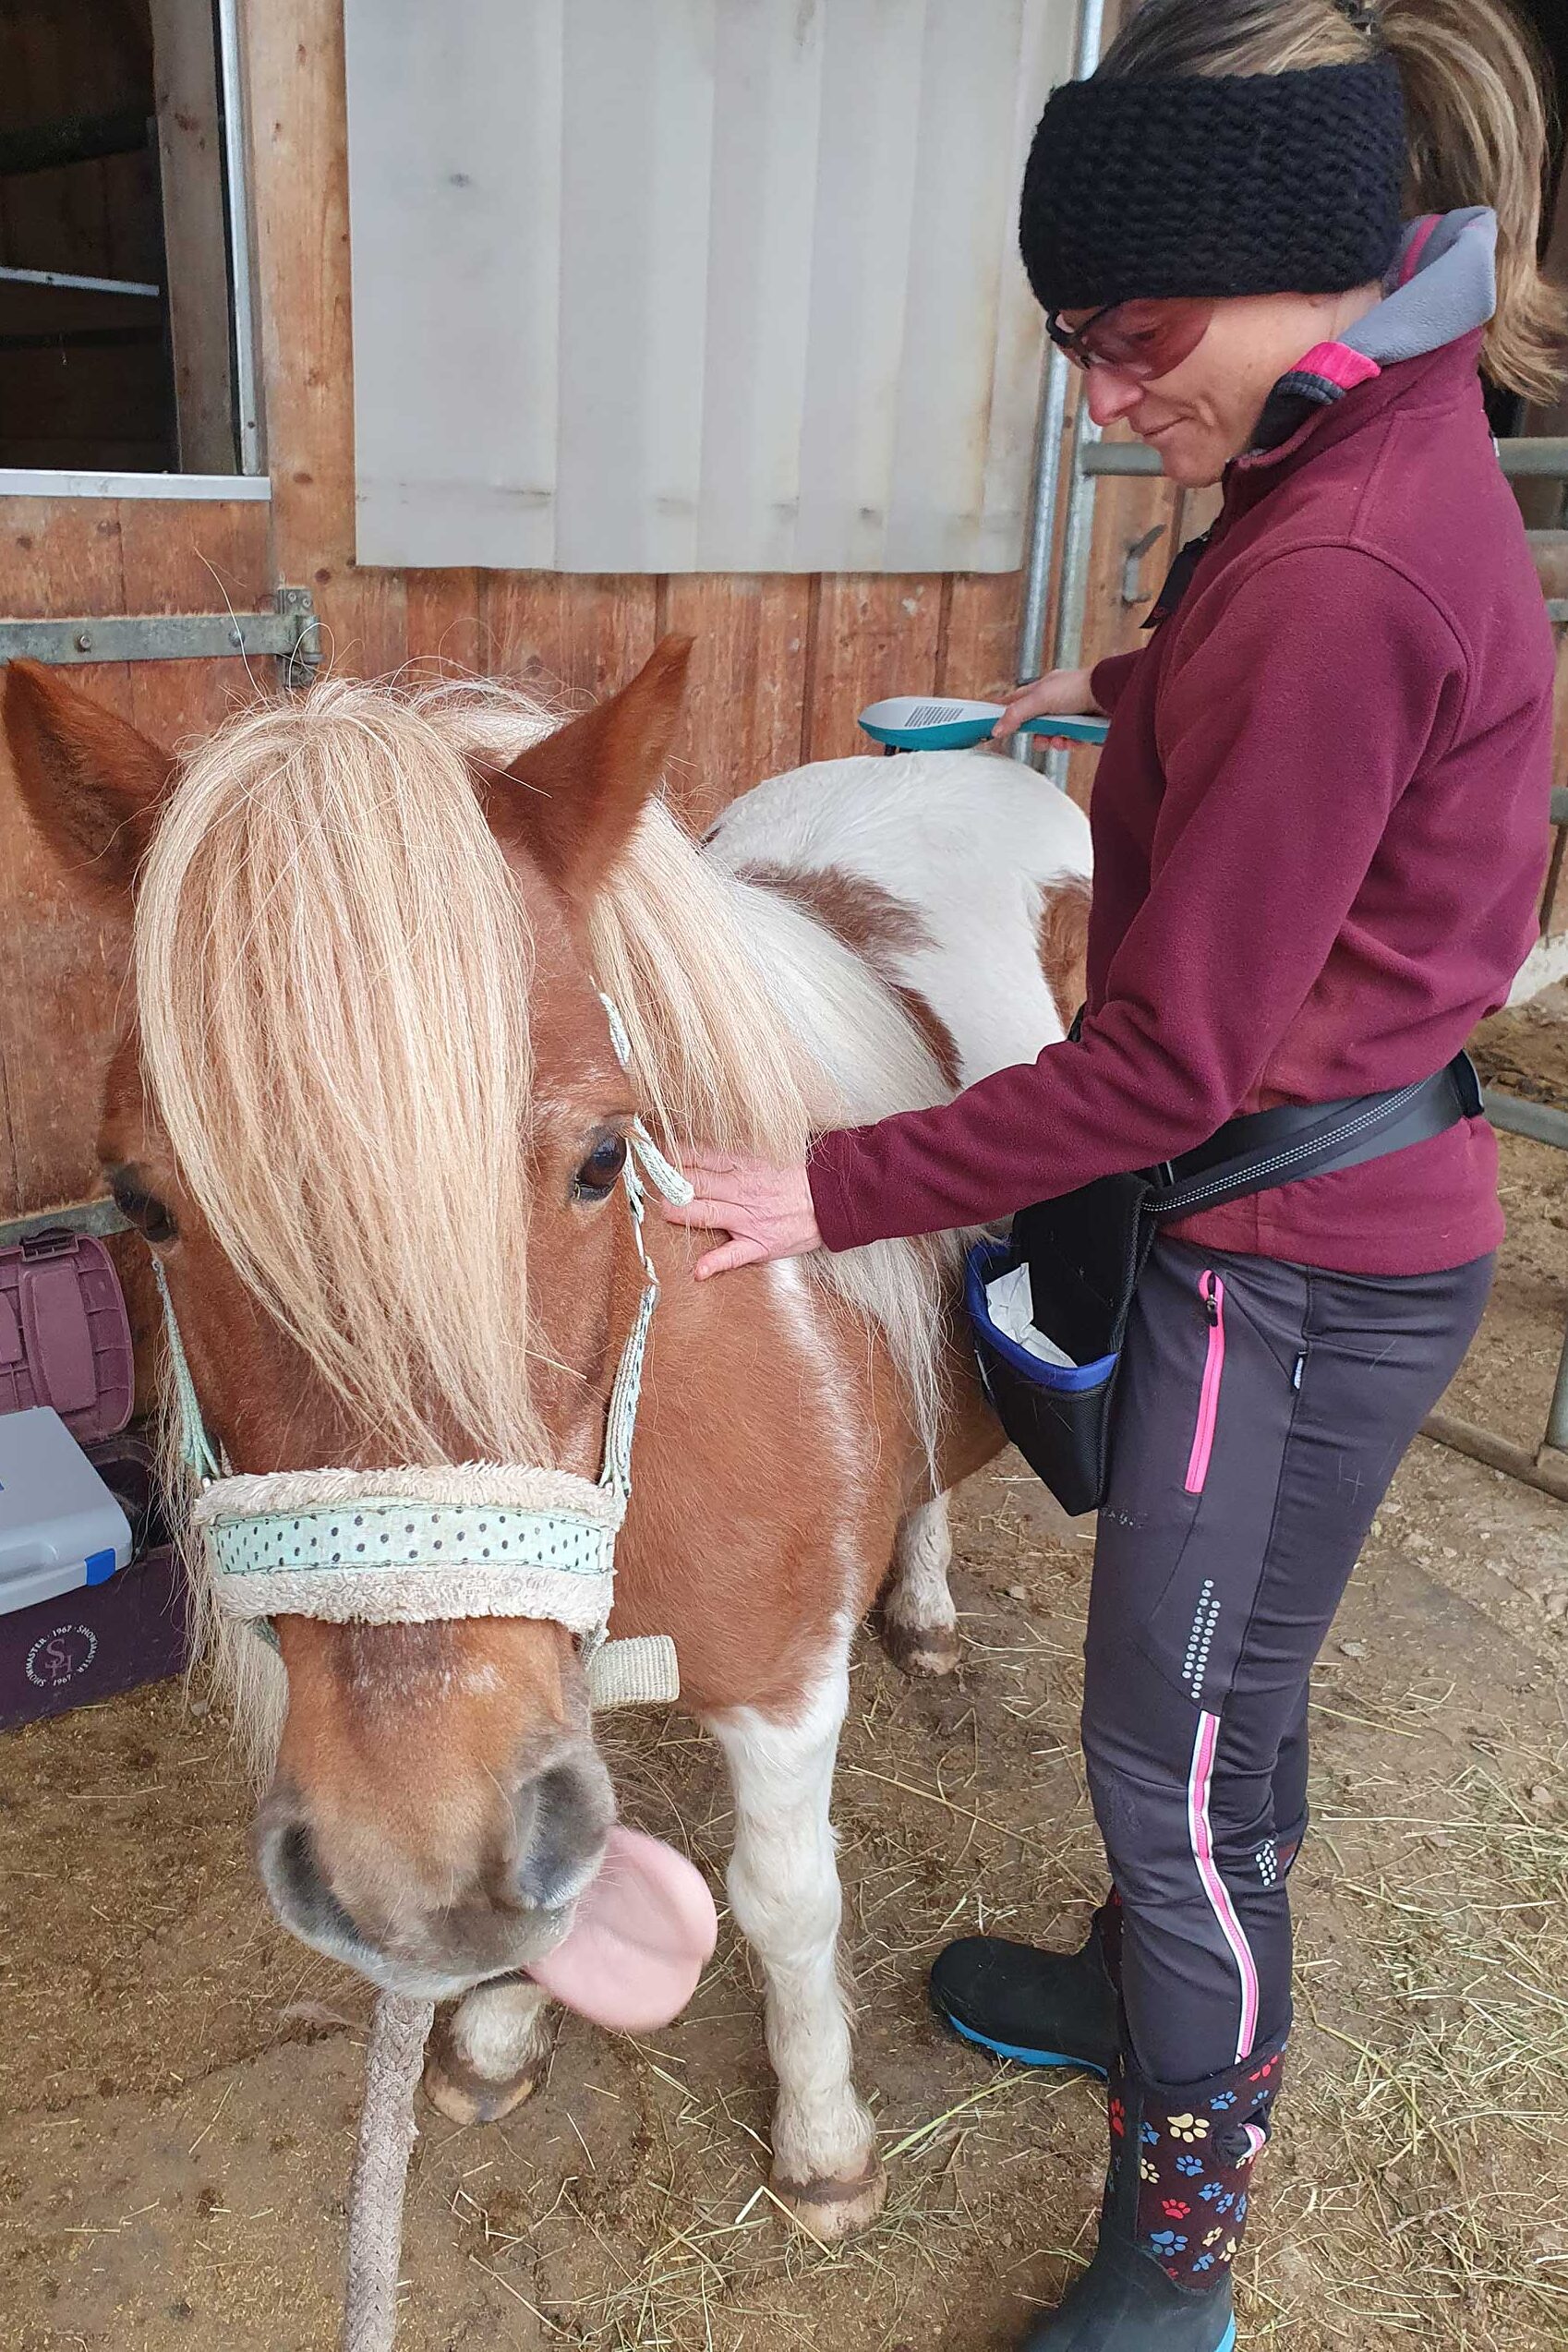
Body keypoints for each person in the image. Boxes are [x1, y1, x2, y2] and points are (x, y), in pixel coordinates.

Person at [665, 1, 1562, 2346]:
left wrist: (828, 1186)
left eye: (1127, 337)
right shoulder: (1351, 457)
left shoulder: (1342, 563)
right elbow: (1288, 742)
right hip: (1325, 1202)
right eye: (1071, 342)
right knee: (1212, 1697)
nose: (1099, 396)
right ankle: (1141, 1986)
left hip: (1282, 1236)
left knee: (1171, 1750)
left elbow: (1166, 1060)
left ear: (1295, 266)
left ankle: (1182, 2234)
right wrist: (1135, 696)